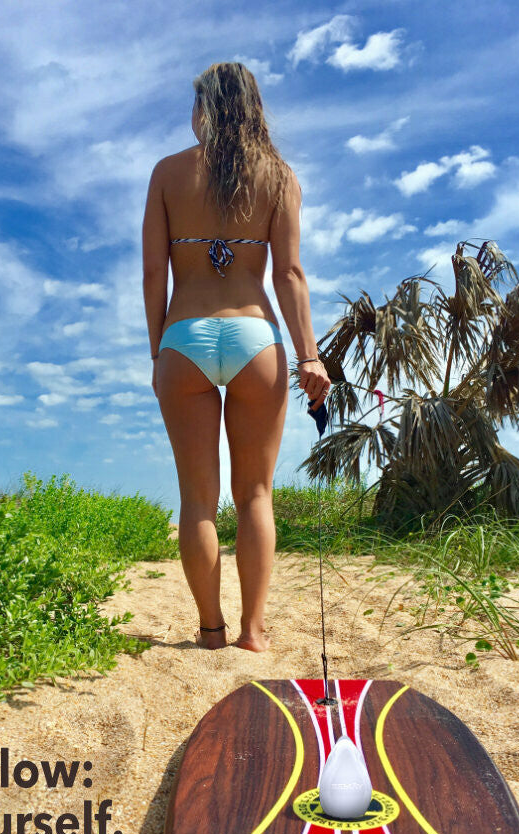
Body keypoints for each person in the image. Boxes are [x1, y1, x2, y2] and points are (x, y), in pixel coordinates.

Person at [141, 61, 330, 653]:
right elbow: (291, 273)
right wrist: (310, 356)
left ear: (207, 110)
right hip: (256, 339)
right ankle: (253, 632)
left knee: (197, 499)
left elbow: (153, 273)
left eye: (195, 106)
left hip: (185, 339)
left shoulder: (167, 173)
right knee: (255, 495)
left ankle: (210, 631)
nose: (190, 118)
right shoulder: (278, 176)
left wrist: (160, 351)